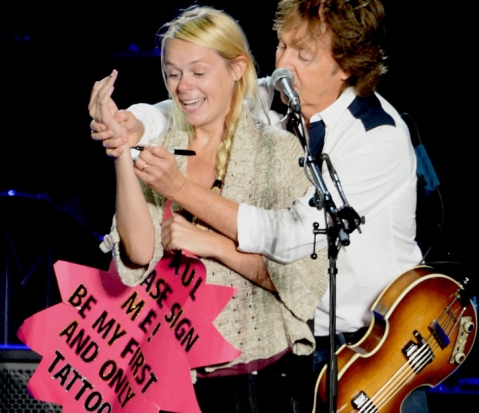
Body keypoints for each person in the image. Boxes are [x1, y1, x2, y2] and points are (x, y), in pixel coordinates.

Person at [91, 1, 428, 412]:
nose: (284, 63)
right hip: (294, 341)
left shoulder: (375, 137)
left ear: (347, 67)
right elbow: (201, 104)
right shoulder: (279, 96)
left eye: (303, 55)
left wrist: (180, 190)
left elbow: (292, 238)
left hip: (367, 344)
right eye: (282, 46)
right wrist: (138, 122)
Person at [88, 6, 328, 413]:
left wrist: (213, 243)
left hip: (253, 382)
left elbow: (300, 282)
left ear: (236, 69)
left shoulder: (278, 152)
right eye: (173, 73)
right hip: (168, 376)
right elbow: (138, 255)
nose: (183, 87)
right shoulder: (163, 148)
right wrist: (122, 153)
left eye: (198, 72)